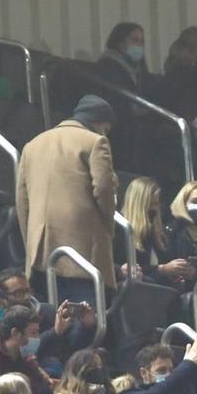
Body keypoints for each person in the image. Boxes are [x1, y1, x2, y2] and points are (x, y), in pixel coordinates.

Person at [17, 94, 118, 308]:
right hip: (83, 249)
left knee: (50, 316)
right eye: (106, 128)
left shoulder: (32, 145)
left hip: (40, 249)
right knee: (85, 319)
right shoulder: (95, 141)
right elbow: (103, 188)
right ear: (99, 123)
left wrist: (31, 239)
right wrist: (108, 227)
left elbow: (22, 200)